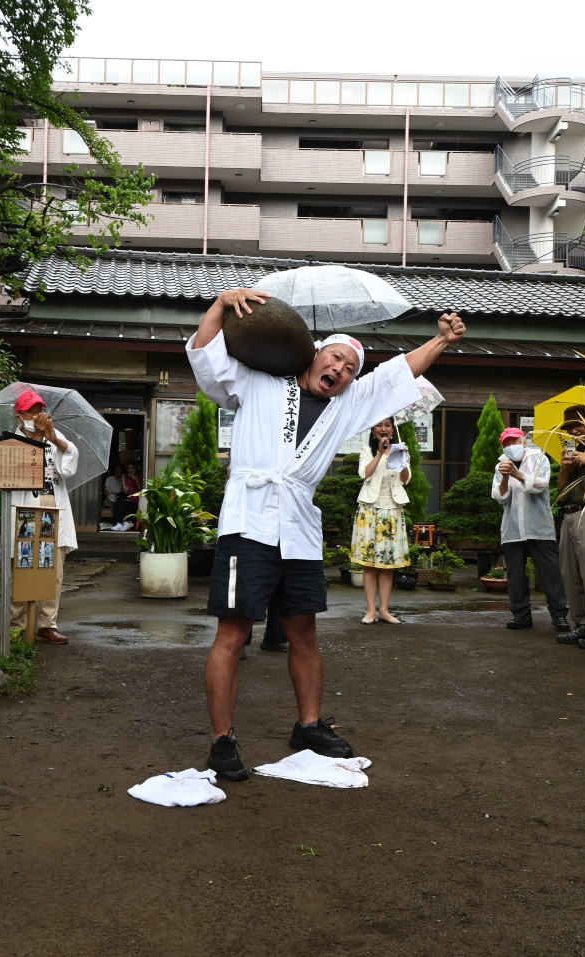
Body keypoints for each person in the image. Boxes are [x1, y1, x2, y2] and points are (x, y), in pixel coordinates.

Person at [186, 286, 466, 781]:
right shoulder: (259, 381)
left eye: (349, 370)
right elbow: (207, 356)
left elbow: (398, 374)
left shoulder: (350, 404)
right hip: (247, 522)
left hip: (296, 528)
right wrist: (220, 305)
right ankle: (221, 741)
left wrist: (441, 340)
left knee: (304, 633)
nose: (339, 371)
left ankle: (309, 726)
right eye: (335, 358)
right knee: (232, 632)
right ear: (315, 354)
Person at [10, 389, 79, 645]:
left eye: (40, 409)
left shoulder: (54, 435)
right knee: (22, 567)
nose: (38, 414)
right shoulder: (11, 441)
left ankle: (46, 625)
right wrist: (38, 437)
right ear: (20, 416)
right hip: (24, 511)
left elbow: (70, 463)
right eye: (32, 410)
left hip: (53, 507)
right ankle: (18, 627)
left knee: (54, 570)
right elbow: (22, 470)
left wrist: (54, 439)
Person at [491, 427, 569, 633]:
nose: (510, 446)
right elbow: (499, 497)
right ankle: (521, 615)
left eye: (513, 441)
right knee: (516, 576)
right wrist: (506, 478)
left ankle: (560, 615)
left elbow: (541, 486)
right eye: (506, 443)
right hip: (512, 529)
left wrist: (517, 473)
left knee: (550, 573)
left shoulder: (539, 459)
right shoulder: (501, 465)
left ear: (524, 441)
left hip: (540, 527)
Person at [350, 417, 411, 625]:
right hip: (370, 510)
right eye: (379, 425)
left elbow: (405, 479)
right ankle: (370, 610)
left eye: (387, 425)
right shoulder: (366, 449)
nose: (383, 428)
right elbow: (364, 474)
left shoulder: (401, 449)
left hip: (393, 509)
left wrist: (400, 458)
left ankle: (384, 610)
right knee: (369, 563)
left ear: (392, 430)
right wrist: (379, 452)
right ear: (373, 430)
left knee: (388, 564)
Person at [553, 405, 585, 648]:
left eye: (578, 424)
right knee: (571, 573)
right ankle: (583, 624)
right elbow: (560, 489)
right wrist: (565, 470)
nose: (574, 430)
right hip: (568, 514)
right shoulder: (572, 451)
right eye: (569, 427)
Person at [111, 463, 142, 531]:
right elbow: (125, 491)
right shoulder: (129, 479)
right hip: (130, 500)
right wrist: (123, 480)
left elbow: (141, 490)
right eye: (129, 468)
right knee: (116, 504)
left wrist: (136, 480)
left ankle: (128, 522)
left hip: (137, 502)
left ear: (136, 469)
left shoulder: (140, 477)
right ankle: (119, 523)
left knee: (121, 504)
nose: (130, 470)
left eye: (132, 468)